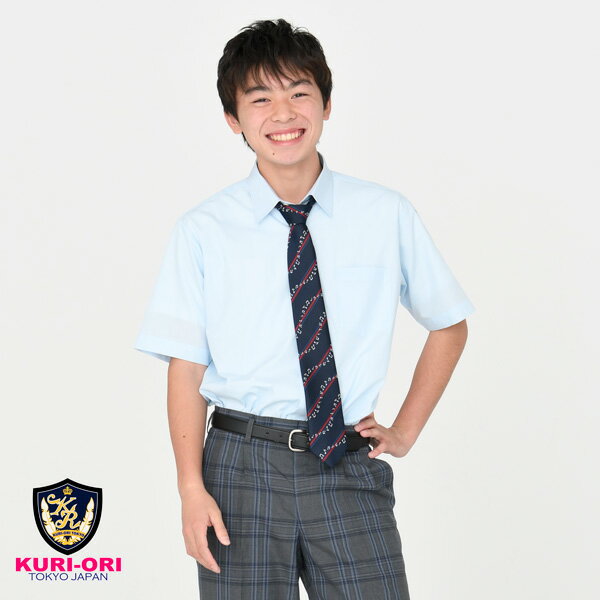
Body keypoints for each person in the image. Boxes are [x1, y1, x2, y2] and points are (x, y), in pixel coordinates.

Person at [134, 18, 475, 600]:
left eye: (299, 93)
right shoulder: (203, 231)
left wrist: (404, 431)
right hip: (240, 468)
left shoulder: (384, 214)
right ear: (233, 119)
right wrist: (190, 487)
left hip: (345, 460)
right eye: (260, 99)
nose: (283, 114)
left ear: (326, 103)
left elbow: (449, 323)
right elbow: (186, 368)